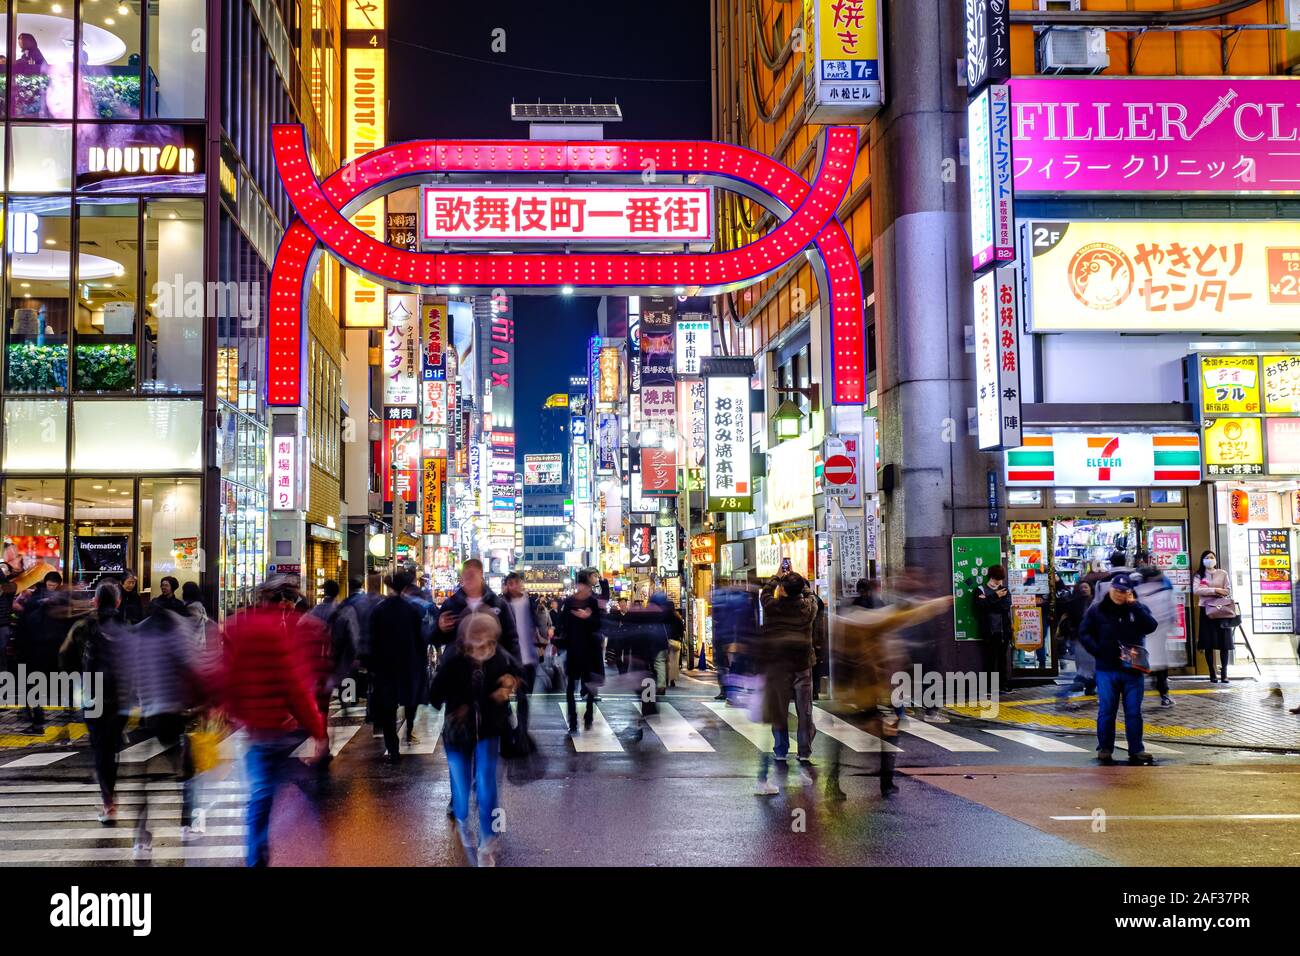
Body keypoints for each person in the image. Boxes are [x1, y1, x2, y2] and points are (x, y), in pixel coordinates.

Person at [215, 580, 328, 866]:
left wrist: (224, 708)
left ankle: (258, 851)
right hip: (277, 723)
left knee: (262, 789)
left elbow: (223, 672)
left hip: (250, 725)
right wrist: (318, 731)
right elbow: (293, 685)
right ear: (284, 603)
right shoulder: (281, 631)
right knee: (271, 791)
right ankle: (264, 852)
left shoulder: (236, 626)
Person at [430, 609, 521, 866]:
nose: (484, 648)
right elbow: (434, 694)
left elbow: (520, 674)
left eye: (489, 642)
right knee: (460, 786)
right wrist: (457, 705)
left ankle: (487, 842)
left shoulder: (500, 658)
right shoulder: (453, 661)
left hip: (489, 730)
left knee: (486, 783)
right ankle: (461, 817)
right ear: (466, 643)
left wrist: (509, 684)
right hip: (458, 734)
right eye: (477, 644)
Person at [116, 599, 202, 860]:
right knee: (184, 767)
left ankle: (141, 838)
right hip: (174, 710)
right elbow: (193, 668)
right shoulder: (179, 630)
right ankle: (187, 823)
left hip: (144, 712)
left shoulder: (137, 632)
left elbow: (126, 672)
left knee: (139, 777)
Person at [59, 581, 126, 824]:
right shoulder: (127, 626)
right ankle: (110, 798)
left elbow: (64, 657)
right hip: (121, 696)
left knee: (101, 750)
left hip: (92, 693)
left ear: (94, 601)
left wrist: (78, 677)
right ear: (118, 601)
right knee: (110, 748)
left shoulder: (82, 626)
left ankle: (109, 804)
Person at [1078, 572, 1158, 766]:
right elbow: (1085, 632)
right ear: (1110, 589)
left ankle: (1136, 749)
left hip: (1133, 669)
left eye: (1123, 591)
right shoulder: (1098, 610)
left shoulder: (1136, 609)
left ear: (1129, 592)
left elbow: (1151, 626)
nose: (1118, 594)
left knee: (1133, 711)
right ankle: (1104, 748)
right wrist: (1097, 650)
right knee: (1106, 710)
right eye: (1116, 590)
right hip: (1107, 669)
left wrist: (1135, 606)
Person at [756, 570, 818, 786]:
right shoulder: (808, 607)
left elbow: (764, 593)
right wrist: (804, 585)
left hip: (778, 665)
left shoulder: (772, 606)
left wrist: (775, 577)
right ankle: (804, 751)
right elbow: (811, 596)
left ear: (781, 589)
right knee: (804, 709)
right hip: (802, 664)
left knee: (779, 709)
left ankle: (781, 750)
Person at [367, 572, 428, 761]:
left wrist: (372, 665)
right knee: (409, 698)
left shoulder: (379, 610)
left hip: (385, 665)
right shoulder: (412, 611)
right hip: (408, 663)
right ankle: (409, 727)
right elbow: (420, 640)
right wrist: (421, 661)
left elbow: (373, 640)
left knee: (388, 706)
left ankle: (392, 748)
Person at [12, 571, 68, 734]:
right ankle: (35, 717)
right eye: (50, 585)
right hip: (37, 649)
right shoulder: (40, 600)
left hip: (39, 650)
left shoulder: (40, 600)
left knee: (32, 685)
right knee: (33, 685)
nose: (52, 588)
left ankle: (36, 719)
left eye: (54, 586)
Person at [502, 572, 550, 753]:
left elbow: (537, 624)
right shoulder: (502, 603)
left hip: (528, 658)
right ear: (507, 585)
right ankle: (510, 731)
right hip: (508, 659)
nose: (514, 586)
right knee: (502, 697)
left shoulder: (529, 602)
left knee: (524, 697)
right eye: (511, 583)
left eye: (517, 582)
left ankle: (521, 732)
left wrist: (543, 639)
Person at [436, 559, 519, 659]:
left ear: (481, 574)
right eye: (465, 575)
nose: (468, 579)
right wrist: (439, 628)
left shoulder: (498, 604)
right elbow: (436, 638)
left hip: (492, 666)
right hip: (458, 667)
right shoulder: (451, 604)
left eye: (471, 574)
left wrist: (514, 670)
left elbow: (512, 640)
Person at [555, 569, 605, 733]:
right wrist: (555, 639)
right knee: (571, 687)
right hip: (574, 650)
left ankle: (589, 715)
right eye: (582, 586)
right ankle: (573, 720)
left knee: (590, 686)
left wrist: (587, 617)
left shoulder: (592, 602)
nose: (584, 589)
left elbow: (598, 624)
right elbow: (562, 624)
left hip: (590, 650)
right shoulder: (569, 602)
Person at [1133, 551, 1176, 707]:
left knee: (1141, 663)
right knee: (1159, 663)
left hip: (1144, 632)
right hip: (1159, 630)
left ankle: (1135, 697)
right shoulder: (1165, 586)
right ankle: (1163, 694)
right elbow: (1171, 609)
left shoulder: (1137, 588)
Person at [711, 584, 759, 703]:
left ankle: (727, 692)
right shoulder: (745, 602)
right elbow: (750, 622)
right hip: (741, 638)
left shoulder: (724, 602)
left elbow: (719, 620)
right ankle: (737, 691)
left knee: (724, 666)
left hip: (725, 638)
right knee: (739, 665)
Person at [1193, 549, 1233, 683]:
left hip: (1222, 610)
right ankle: (1212, 673)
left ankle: (1225, 674)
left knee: (1224, 643)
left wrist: (1210, 591)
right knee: (1208, 643)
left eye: (1212, 557)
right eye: (1207, 557)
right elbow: (1197, 590)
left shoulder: (1223, 573)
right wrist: (1216, 590)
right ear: (1202, 560)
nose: (1210, 560)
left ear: (1215, 560)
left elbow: (1227, 590)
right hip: (1206, 611)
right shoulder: (1199, 575)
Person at [973, 565, 1013, 691]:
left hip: (1003, 630)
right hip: (988, 630)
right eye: (997, 579)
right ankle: (988, 687)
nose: (999, 582)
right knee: (989, 659)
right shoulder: (980, 590)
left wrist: (989, 602)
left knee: (1002, 659)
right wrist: (996, 596)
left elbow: (1005, 607)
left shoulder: (1005, 590)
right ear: (991, 577)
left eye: (1000, 579)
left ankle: (1003, 685)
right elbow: (980, 605)